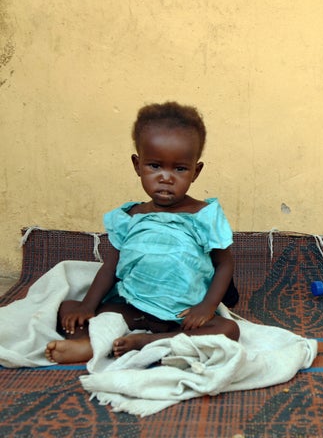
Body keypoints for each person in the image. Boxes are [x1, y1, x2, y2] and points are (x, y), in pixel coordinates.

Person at [45, 102, 240, 364]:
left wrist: (205, 307)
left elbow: (224, 264)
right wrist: (88, 305)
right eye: (155, 166)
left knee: (229, 330)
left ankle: (151, 341)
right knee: (69, 307)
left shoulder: (203, 215)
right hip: (132, 306)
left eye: (179, 168)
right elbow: (111, 267)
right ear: (138, 165)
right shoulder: (130, 217)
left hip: (181, 313)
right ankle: (85, 343)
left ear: (196, 171)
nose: (166, 178)